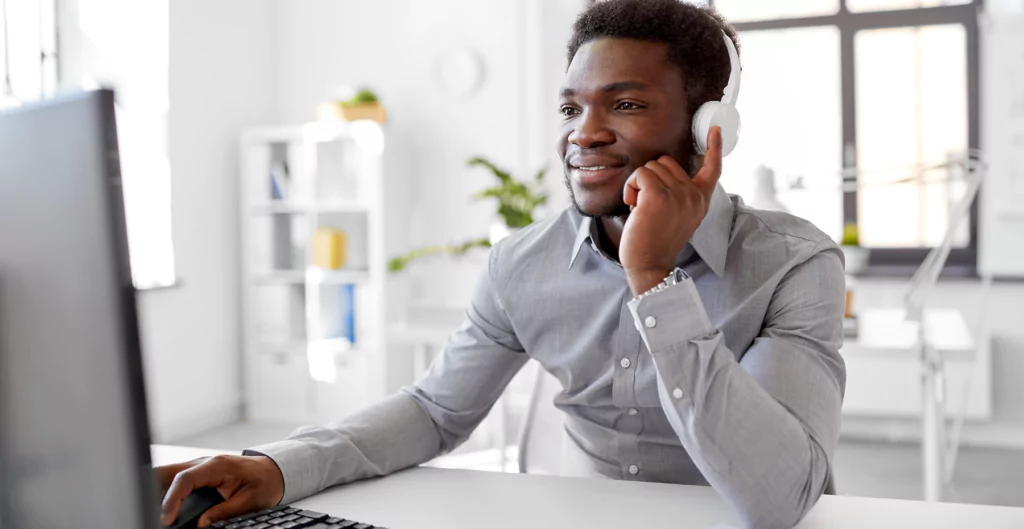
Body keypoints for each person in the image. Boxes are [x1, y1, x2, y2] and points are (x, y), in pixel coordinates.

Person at [159, 1, 846, 528]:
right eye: (571, 107)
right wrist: (280, 465)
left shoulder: (793, 264)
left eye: (626, 104)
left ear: (709, 129)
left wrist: (654, 277)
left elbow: (778, 496)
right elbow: (434, 411)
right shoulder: (524, 263)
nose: (585, 132)